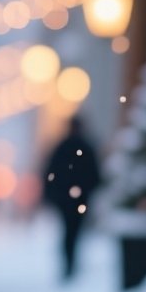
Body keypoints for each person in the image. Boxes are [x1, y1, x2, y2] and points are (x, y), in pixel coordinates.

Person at [42, 115, 103, 282]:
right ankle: (71, 264)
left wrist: (51, 195)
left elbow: (49, 173)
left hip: (65, 200)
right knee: (74, 232)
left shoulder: (62, 146)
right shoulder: (85, 146)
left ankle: (69, 264)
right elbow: (95, 174)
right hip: (78, 200)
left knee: (68, 232)